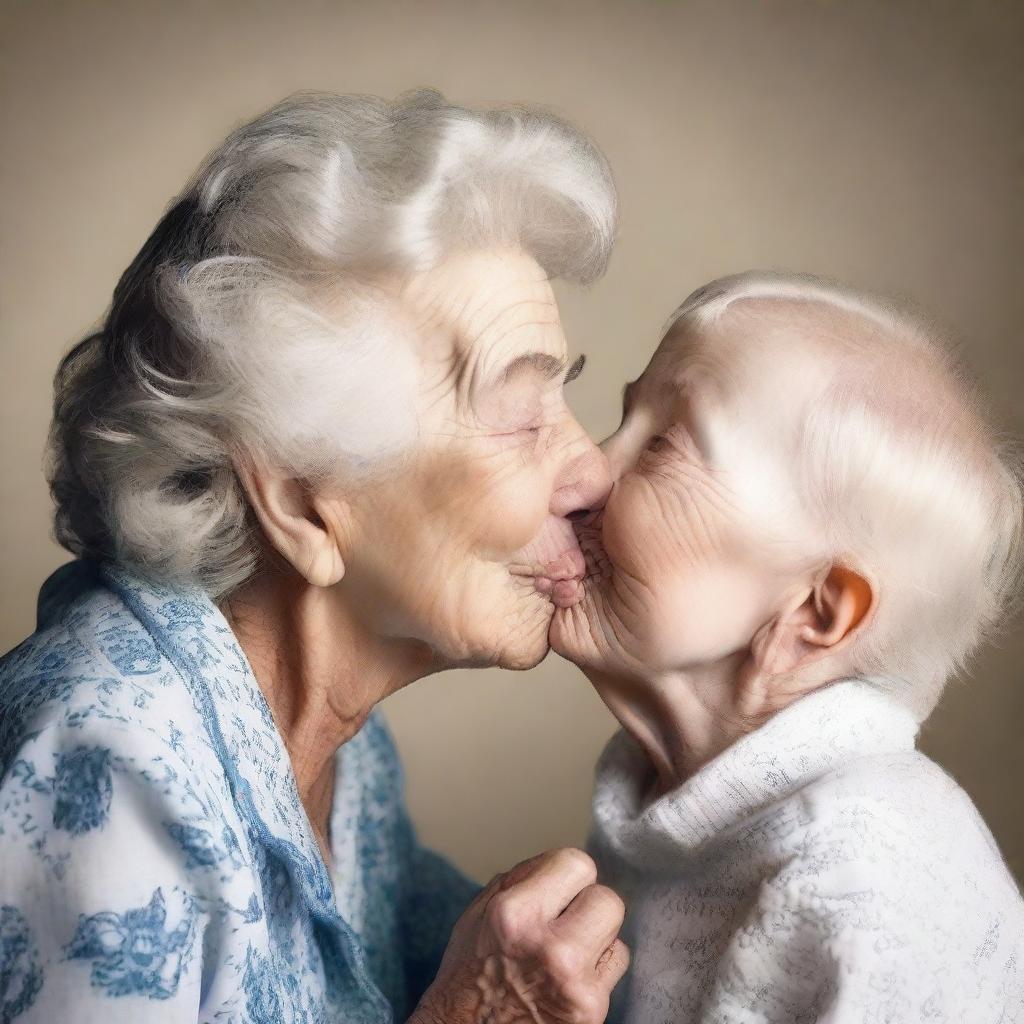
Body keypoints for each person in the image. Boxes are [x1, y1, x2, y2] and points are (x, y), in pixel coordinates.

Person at [0, 90, 629, 1024]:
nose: (591, 468)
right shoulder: (107, 763)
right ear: (304, 504)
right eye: (519, 414)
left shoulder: (345, 748)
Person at [552, 271, 1024, 1022]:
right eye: (624, 418)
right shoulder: (672, 808)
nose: (581, 470)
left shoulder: (863, 880)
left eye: (664, 447)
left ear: (816, 614)